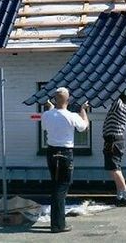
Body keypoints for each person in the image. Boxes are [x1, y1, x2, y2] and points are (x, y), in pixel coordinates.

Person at [41, 87, 89, 233]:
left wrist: (50, 109)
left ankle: (57, 222)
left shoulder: (47, 115)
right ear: (68, 100)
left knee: (56, 186)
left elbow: (46, 124)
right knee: (61, 188)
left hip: (51, 152)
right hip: (66, 153)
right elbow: (84, 127)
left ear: (54, 100)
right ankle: (58, 225)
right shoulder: (72, 115)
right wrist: (84, 111)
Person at [103, 88, 126, 206]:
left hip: (113, 140)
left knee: (114, 168)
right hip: (117, 140)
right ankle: (120, 194)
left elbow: (112, 93)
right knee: (115, 168)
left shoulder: (118, 104)